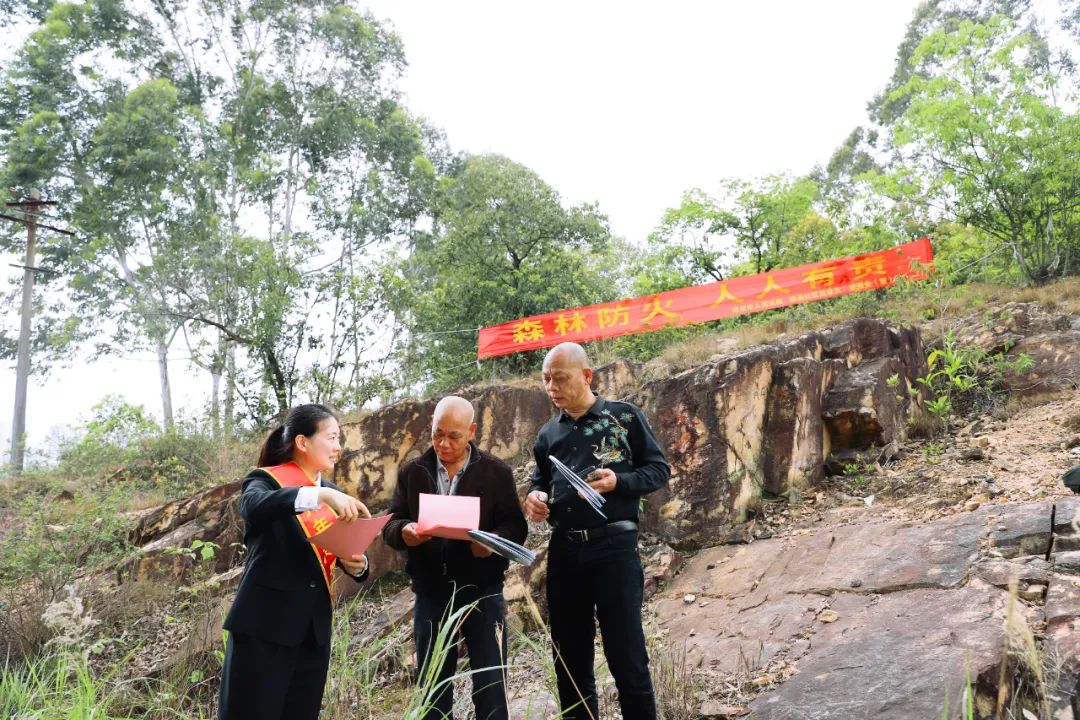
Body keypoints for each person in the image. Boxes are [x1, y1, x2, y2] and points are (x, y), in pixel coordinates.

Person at [523, 342, 670, 720]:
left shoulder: (625, 417)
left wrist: (617, 481)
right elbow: (540, 480)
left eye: (559, 378)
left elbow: (658, 471)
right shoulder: (547, 435)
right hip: (565, 552)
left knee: (627, 657)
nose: (551, 387)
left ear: (587, 376)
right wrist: (535, 498)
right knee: (569, 662)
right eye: (546, 380)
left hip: (614, 549)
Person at [218, 403, 371, 720]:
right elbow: (254, 507)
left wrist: (357, 564)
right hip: (264, 628)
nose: (337, 447)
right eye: (331, 438)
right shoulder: (266, 480)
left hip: (312, 632)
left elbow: (335, 549)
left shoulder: (330, 491)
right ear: (303, 442)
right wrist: (316, 497)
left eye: (338, 438)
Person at [383, 396, 528, 720]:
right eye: (437, 434)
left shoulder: (496, 472)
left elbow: (515, 526)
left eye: (454, 436)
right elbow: (391, 523)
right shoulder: (413, 472)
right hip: (431, 593)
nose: (443, 444)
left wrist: (492, 543)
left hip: (483, 591)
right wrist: (405, 531)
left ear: (472, 431)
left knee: (491, 687)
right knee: (433, 690)